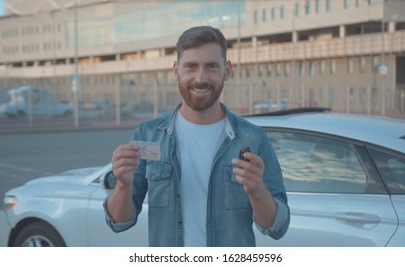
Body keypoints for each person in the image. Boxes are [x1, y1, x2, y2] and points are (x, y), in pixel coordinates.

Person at [104, 26, 290, 247]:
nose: (200, 78)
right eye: (191, 66)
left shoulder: (253, 138)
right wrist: (123, 186)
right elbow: (119, 222)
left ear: (227, 70)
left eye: (211, 67)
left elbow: (278, 227)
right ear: (176, 71)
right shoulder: (148, 135)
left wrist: (257, 190)